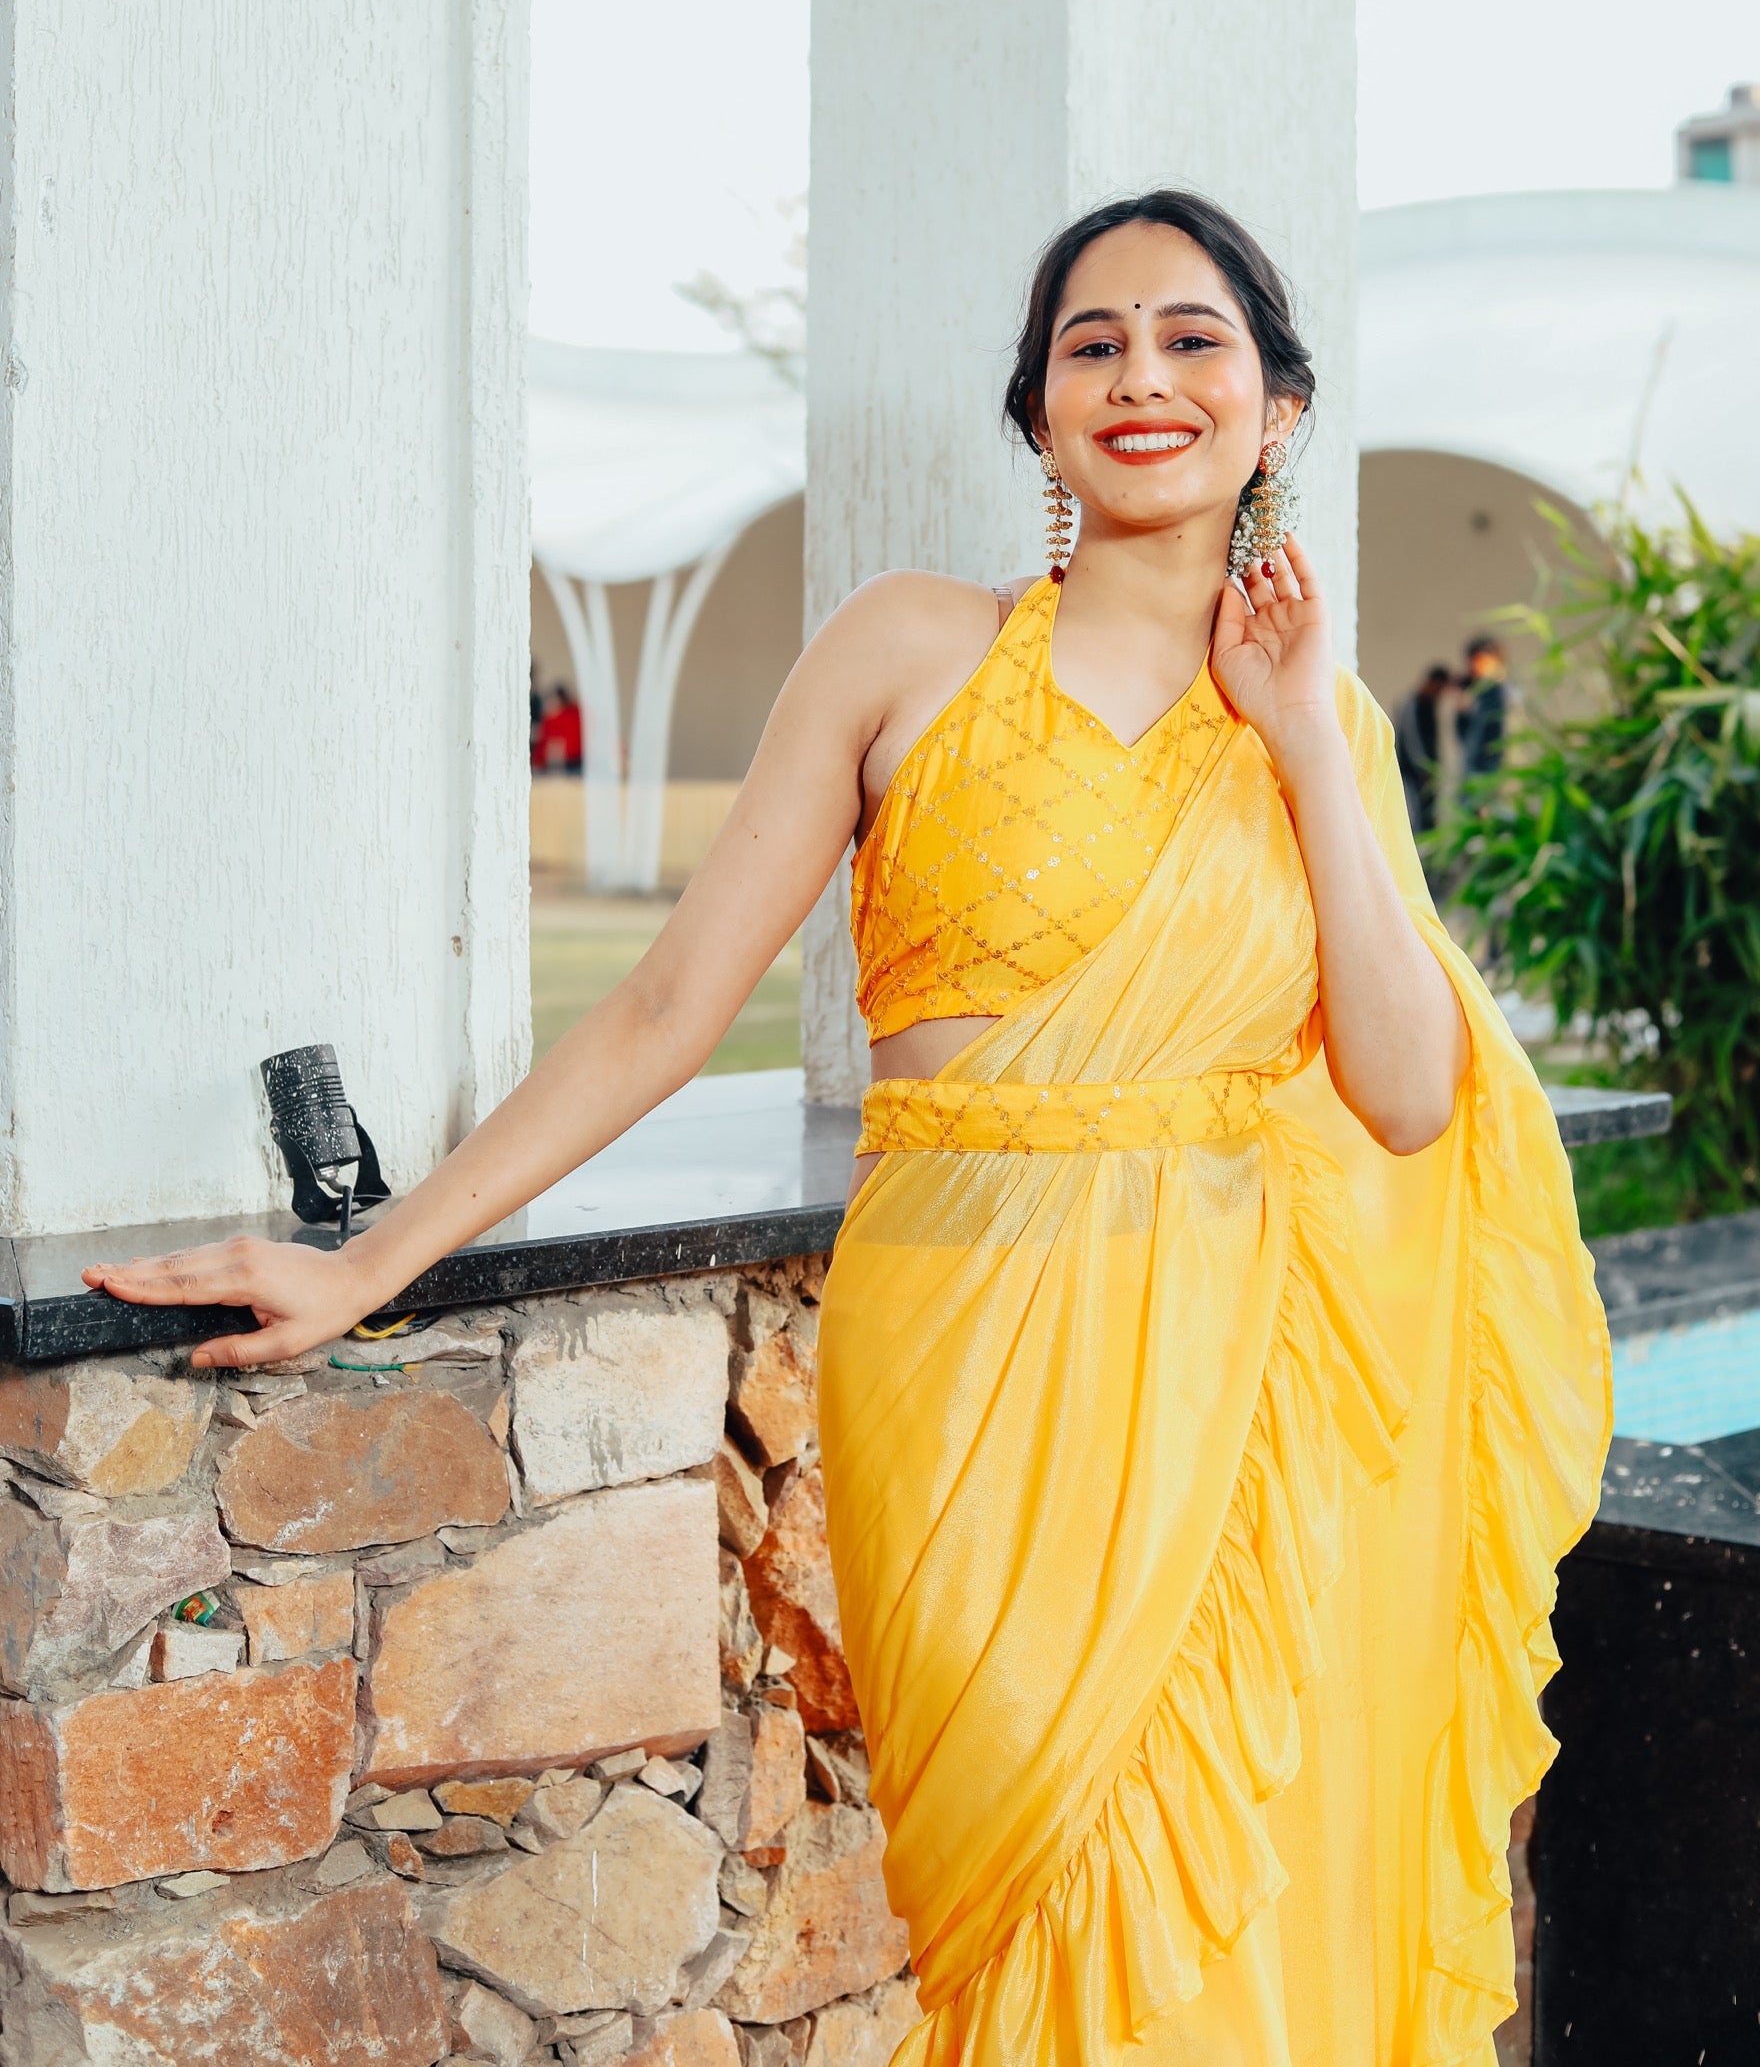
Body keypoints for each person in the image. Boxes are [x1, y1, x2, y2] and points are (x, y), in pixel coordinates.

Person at [83, 192, 1607, 2067]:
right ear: (1038, 413)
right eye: (1092, 342)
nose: (1142, 376)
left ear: (1278, 409)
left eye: (1194, 339)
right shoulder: (911, 649)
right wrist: (370, 1259)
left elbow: (1405, 1089)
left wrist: (1296, 734)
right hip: (962, 1371)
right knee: (1017, 1907)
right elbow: (660, 1010)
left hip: (1230, 1384)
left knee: (1221, 1945)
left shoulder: (1326, 729)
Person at [1395, 660, 1452, 832]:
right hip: (1412, 774)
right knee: (1414, 816)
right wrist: (1422, 768)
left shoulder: (1429, 704)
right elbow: (1412, 740)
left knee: (1429, 816)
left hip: (1427, 774)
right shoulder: (1412, 704)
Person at [1458, 633, 1508, 778]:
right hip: (1474, 772)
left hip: (1498, 773)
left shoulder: (1504, 692)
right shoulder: (1474, 695)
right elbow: (1464, 736)